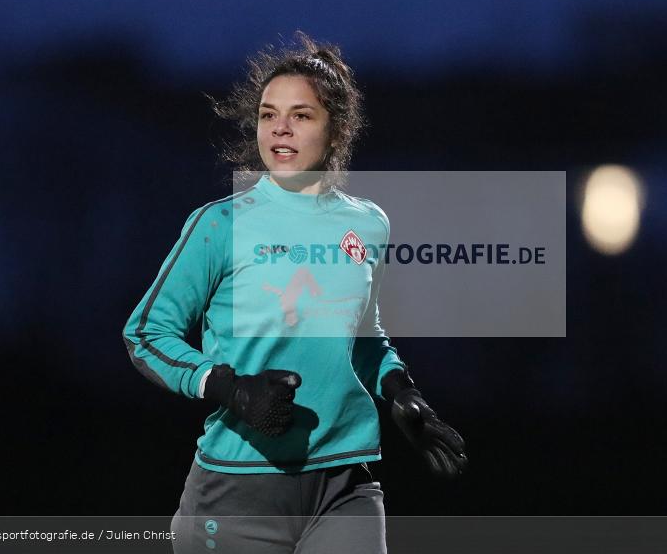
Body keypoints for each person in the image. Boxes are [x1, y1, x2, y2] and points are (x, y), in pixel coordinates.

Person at [122, 32, 467, 553]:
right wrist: (227, 387)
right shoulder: (219, 224)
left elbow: (363, 335)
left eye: (301, 115)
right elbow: (146, 333)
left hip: (345, 484)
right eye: (268, 114)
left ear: (335, 131)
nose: (280, 127)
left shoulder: (368, 225)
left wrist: (401, 392)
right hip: (236, 490)